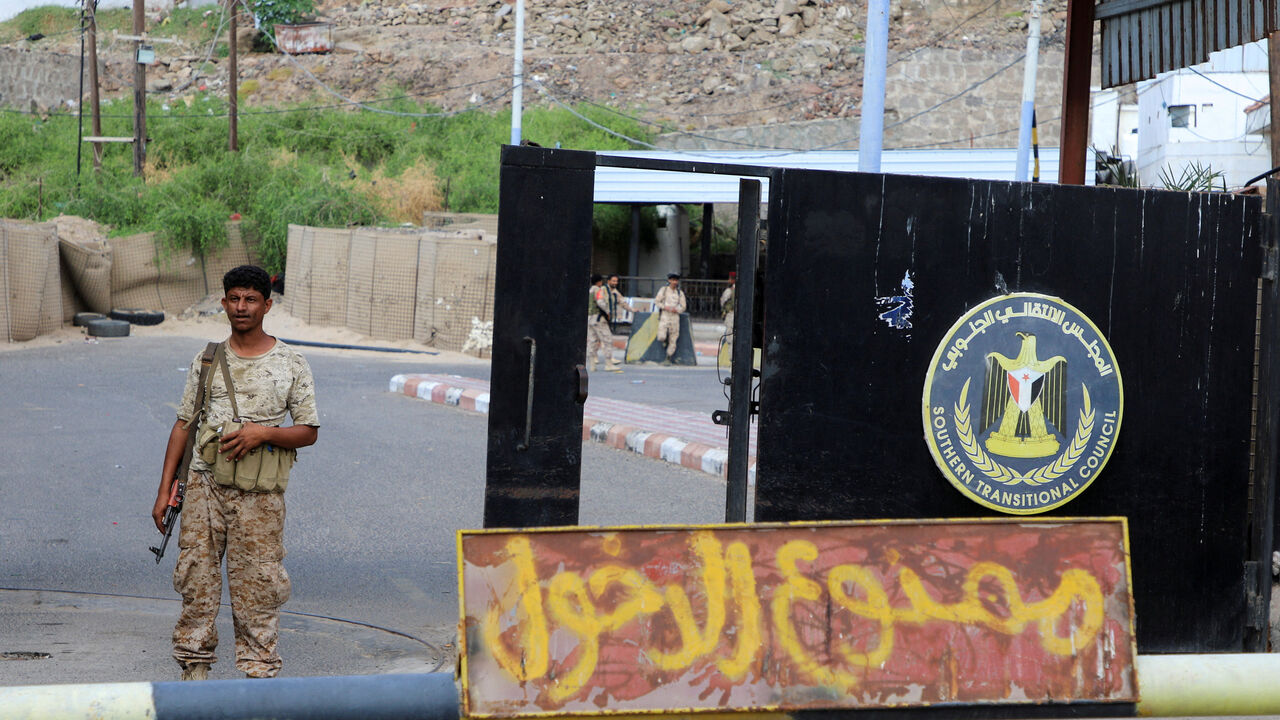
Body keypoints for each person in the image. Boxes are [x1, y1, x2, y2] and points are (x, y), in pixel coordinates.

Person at [152, 265, 319, 681]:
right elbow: (183, 425)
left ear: (267, 305)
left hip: (259, 496)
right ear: (223, 302)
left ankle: (259, 675)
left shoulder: (290, 362)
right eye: (234, 299)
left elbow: (308, 431)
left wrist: (263, 433)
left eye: (250, 299)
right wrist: (164, 491)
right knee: (196, 581)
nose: (241, 307)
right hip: (203, 486)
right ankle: (194, 672)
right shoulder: (208, 359)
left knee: (259, 586)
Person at [586, 275, 620, 372]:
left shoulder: (590, 291)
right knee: (607, 339)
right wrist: (607, 312)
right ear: (599, 282)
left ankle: (592, 365)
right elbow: (600, 302)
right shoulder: (598, 290)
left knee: (592, 341)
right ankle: (609, 364)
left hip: (590, 319)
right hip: (599, 318)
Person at [653, 272, 688, 365]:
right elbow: (657, 301)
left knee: (674, 338)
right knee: (661, 336)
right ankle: (664, 342)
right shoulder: (663, 290)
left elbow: (683, 306)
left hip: (675, 316)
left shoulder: (680, 293)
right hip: (665, 315)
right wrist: (665, 307)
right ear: (669, 280)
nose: (674, 282)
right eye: (673, 280)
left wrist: (677, 310)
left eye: (676, 280)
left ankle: (668, 357)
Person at [720, 272, 736, 361]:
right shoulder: (744, 289)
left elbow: (723, 302)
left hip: (731, 315)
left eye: (730, 279)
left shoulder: (729, 290)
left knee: (730, 338)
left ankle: (732, 359)